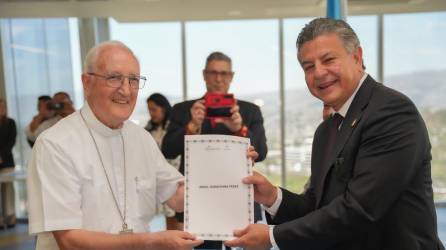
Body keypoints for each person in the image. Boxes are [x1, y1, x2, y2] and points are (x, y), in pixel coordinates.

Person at [225, 17, 444, 250]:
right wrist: (271, 196)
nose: (318, 73)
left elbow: (359, 211)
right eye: (308, 67)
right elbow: (317, 206)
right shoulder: (326, 130)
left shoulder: (391, 112)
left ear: (357, 57)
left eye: (328, 60)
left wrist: (272, 236)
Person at [27, 41, 203, 250]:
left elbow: (176, 196)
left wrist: (231, 172)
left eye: (133, 80)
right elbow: (70, 241)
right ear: (87, 82)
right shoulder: (55, 144)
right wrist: (152, 241)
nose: (126, 90)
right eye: (114, 78)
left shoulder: (141, 138)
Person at [162, 51, 268, 249]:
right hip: (196, 201)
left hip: (239, 197)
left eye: (224, 73)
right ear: (204, 74)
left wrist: (239, 129)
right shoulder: (183, 110)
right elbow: (167, 150)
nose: (218, 79)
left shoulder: (249, 111)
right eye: (213, 73)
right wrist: (191, 126)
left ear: (232, 76)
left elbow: (261, 152)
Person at [145, 92, 181, 230]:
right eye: (149, 110)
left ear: (164, 108)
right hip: (159, 180)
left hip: (175, 176)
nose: (151, 113)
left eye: (154, 109)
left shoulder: (174, 129)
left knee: (178, 220)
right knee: (169, 219)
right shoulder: (149, 130)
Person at [0, 98, 17, 228]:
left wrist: (1, 156)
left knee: (8, 190)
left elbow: (11, 142)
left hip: (7, 161)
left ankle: (10, 217)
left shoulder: (10, 123)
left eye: (3, 107)